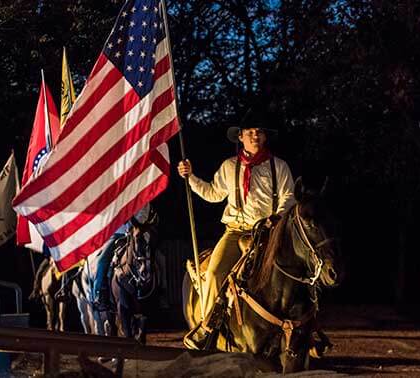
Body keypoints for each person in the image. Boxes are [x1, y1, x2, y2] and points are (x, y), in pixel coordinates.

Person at [177, 110, 296, 350]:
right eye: (250, 132)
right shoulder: (229, 166)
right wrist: (190, 178)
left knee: (299, 267)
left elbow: (290, 196)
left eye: (259, 132)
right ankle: (208, 326)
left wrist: (275, 217)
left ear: (264, 137)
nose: (255, 136)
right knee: (213, 273)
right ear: (240, 137)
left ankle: (306, 327)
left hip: (269, 233)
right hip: (235, 232)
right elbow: (213, 193)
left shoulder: (279, 166)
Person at [93, 203, 152, 311]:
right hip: (118, 234)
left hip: (140, 233)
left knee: (158, 258)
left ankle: (161, 291)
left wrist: (134, 224)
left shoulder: (144, 193)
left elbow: (144, 213)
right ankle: (100, 294)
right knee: (102, 261)